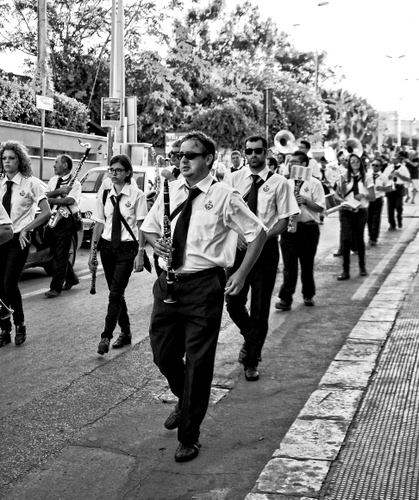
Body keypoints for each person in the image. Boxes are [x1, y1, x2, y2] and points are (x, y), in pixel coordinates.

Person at [141, 131, 267, 463]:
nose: (182, 160)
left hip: (204, 286)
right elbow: (149, 229)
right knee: (163, 355)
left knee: (198, 363)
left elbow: (258, 233)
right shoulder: (170, 190)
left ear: (208, 159)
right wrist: (156, 245)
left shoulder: (224, 195)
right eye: (179, 155)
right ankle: (186, 399)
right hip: (168, 283)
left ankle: (189, 436)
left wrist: (241, 274)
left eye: (190, 155)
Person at [225, 135, 298, 382]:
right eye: (249, 151)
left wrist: (261, 237)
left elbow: (284, 220)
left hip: (266, 250)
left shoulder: (280, 183)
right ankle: (250, 337)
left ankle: (252, 360)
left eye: (258, 151)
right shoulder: (233, 179)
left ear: (266, 152)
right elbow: (225, 214)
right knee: (232, 301)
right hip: (238, 248)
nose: (253, 155)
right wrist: (237, 234)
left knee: (260, 308)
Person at [88, 154, 147, 355]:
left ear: (128, 172)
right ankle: (126, 331)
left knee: (115, 293)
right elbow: (98, 224)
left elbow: (142, 226)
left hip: (127, 249)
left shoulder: (137, 195)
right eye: (111, 170)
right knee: (116, 292)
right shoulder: (105, 193)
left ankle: (106, 336)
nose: (114, 174)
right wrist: (93, 253)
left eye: (118, 170)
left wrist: (140, 253)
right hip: (107, 248)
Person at [0, 140, 51, 347]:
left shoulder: (31, 183)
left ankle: (19, 323)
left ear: (20, 160)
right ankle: (4, 329)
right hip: (1, 238)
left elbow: (46, 212)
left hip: (18, 239)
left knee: (9, 284)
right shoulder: (0, 183)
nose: (7, 162)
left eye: (11, 158)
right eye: (4, 158)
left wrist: (27, 229)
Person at [276, 151, 325, 310]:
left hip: (308, 228)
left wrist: (305, 201)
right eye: (290, 162)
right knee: (289, 266)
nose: (291, 164)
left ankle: (308, 294)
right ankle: (285, 298)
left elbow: (320, 208)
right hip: (289, 228)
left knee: (307, 264)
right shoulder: (286, 183)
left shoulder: (314, 183)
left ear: (304, 164)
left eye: (295, 161)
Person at [44, 155, 81, 298]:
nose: (54, 165)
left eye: (56, 162)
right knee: (56, 253)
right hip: (54, 219)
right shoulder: (53, 180)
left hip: (67, 221)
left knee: (61, 255)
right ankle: (71, 278)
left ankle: (55, 288)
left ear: (65, 165)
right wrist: (59, 191)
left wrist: (51, 199)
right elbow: (45, 195)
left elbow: (70, 200)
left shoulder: (75, 183)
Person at [334, 154, 375, 280]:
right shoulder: (343, 177)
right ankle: (345, 271)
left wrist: (363, 195)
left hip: (360, 211)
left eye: (357, 161)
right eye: (352, 161)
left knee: (359, 238)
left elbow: (373, 197)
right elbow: (336, 195)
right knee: (346, 239)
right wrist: (343, 201)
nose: (355, 163)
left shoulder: (367, 177)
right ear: (348, 164)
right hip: (346, 211)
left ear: (361, 163)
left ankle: (362, 266)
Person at [383, 151, 410, 230]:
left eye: (396, 159)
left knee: (399, 206)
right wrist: (390, 176)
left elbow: (407, 179)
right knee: (390, 207)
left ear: (399, 159)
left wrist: (399, 175)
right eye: (393, 159)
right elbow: (383, 178)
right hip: (390, 187)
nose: (394, 160)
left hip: (399, 187)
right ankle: (392, 224)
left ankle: (399, 218)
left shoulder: (403, 168)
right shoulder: (388, 168)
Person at [367, 158, 391, 246]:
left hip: (378, 200)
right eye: (373, 165)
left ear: (380, 167)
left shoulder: (383, 177)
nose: (374, 167)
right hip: (368, 199)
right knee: (369, 219)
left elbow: (389, 188)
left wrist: (381, 188)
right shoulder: (367, 175)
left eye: (376, 165)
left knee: (376, 219)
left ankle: (374, 238)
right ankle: (370, 235)